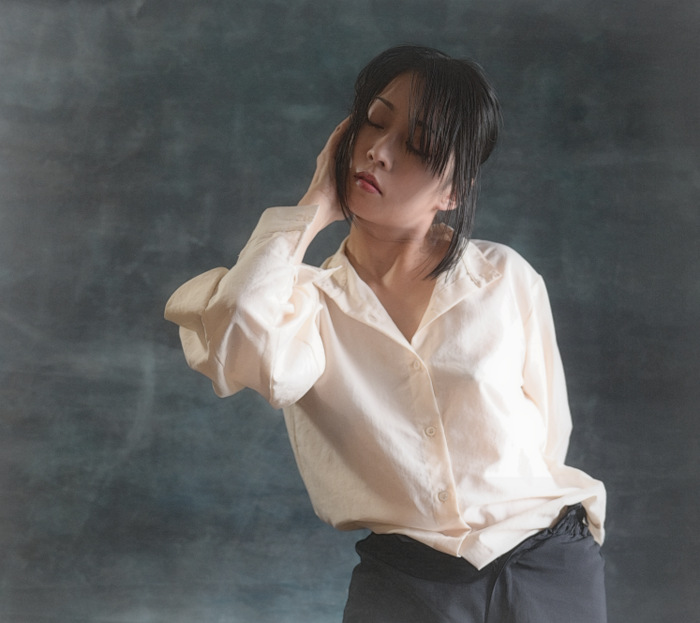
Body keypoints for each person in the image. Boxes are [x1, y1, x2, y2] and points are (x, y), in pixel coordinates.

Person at [164, 45, 607, 622]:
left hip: (546, 564)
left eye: (417, 144)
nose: (378, 150)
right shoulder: (303, 305)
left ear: (453, 192)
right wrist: (313, 206)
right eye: (374, 122)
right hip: (406, 581)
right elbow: (236, 343)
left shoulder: (504, 279)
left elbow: (550, 432)